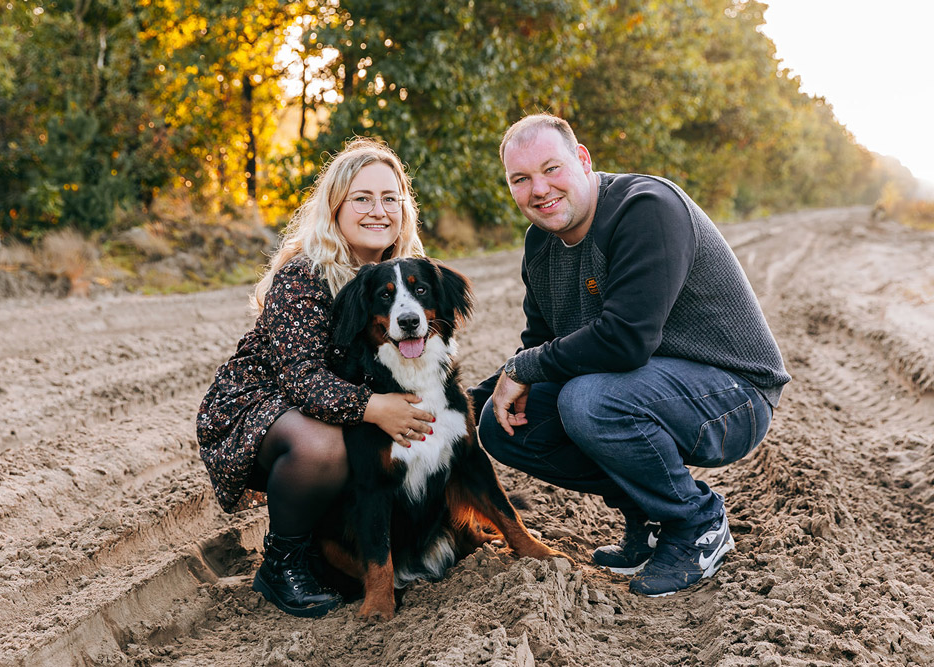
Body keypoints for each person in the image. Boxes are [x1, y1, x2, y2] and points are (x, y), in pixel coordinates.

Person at [470, 114, 790, 597]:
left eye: (551, 168)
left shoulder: (646, 208)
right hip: (649, 386)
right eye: (521, 179)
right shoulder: (541, 244)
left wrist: (523, 368)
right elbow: (541, 345)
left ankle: (697, 523)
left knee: (588, 399)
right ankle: (648, 511)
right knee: (504, 425)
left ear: (583, 160)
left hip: (735, 393)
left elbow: (624, 340)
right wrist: (466, 403)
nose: (539, 189)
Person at [196, 138, 435, 617]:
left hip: (334, 406)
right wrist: (376, 408)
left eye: (390, 198)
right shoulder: (306, 273)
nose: (378, 210)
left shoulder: (404, 276)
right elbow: (303, 381)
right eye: (362, 198)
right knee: (325, 445)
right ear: (335, 207)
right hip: (260, 409)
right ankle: (284, 560)